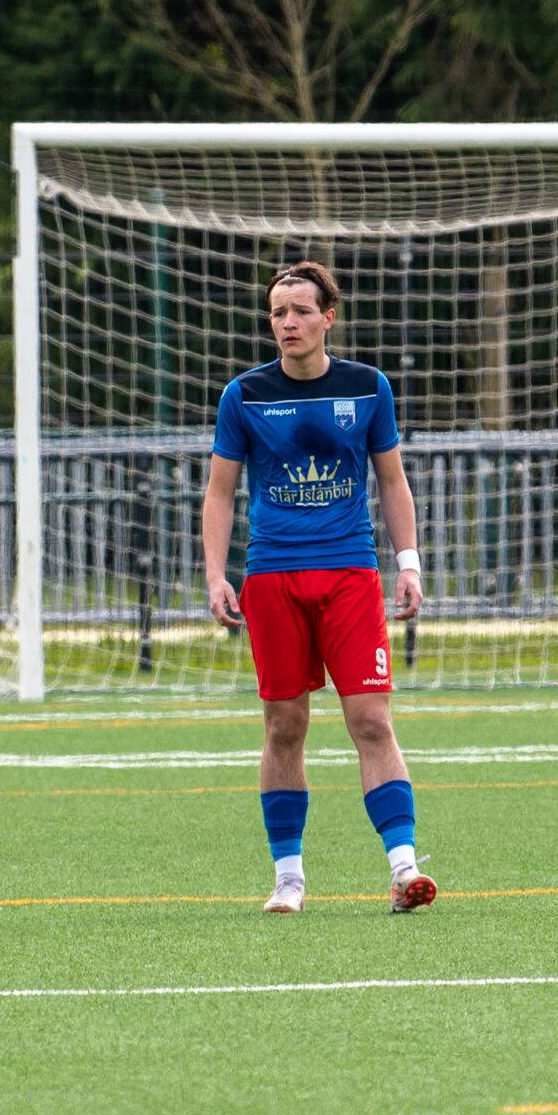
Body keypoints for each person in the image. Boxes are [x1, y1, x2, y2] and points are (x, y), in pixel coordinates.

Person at [201, 261, 433, 915]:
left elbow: (392, 480)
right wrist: (216, 575)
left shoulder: (367, 387)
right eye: (278, 312)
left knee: (371, 719)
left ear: (328, 317)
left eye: (301, 310)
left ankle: (404, 868)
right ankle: (289, 878)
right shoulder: (244, 394)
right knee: (284, 725)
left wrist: (408, 563)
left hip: (350, 574)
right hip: (273, 577)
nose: (288, 322)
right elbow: (219, 492)